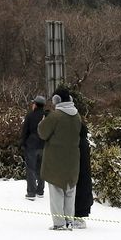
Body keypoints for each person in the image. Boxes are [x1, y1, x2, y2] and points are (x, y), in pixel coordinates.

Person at [38, 88, 82, 230]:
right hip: (73, 160)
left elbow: (43, 133)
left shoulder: (55, 116)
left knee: (56, 192)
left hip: (56, 160)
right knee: (70, 192)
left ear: (57, 100)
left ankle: (59, 223)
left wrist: (43, 121)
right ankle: (69, 221)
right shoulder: (77, 116)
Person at [20, 95, 46, 200]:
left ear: (35, 104)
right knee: (41, 168)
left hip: (31, 145)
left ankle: (31, 192)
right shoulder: (47, 116)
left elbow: (25, 131)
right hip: (44, 145)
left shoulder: (30, 116)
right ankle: (40, 190)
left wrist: (22, 143)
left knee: (31, 168)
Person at [73, 120, 94, 229]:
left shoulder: (77, 142)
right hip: (85, 175)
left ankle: (77, 218)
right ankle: (79, 217)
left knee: (79, 193)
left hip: (78, 174)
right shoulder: (84, 141)